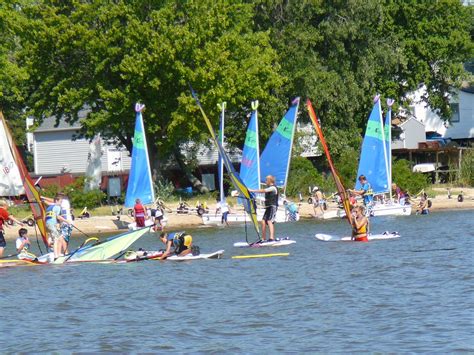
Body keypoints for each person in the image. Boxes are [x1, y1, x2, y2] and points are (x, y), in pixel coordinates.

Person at [249, 175, 278, 242]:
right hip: (268, 207)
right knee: (263, 221)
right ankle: (263, 238)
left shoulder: (273, 188)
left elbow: (263, 190)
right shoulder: (269, 188)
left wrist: (252, 190)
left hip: (273, 206)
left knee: (269, 221)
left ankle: (271, 238)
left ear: (269, 180)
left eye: (266, 180)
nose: (265, 181)